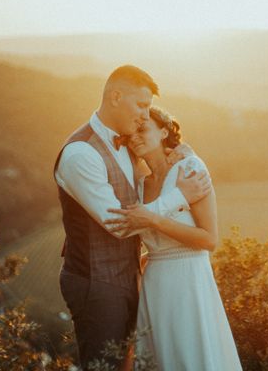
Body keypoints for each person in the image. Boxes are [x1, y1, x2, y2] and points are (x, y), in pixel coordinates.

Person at [53, 65, 212, 369]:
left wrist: (178, 151)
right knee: (106, 366)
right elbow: (118, 223)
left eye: (148, 107)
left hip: (129, 278)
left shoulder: (126, 143)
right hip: (95, 281)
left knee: (129, 364)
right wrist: (180, 197)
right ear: (115, 97)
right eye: (141, 105)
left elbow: (150, 171)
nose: (144, 115)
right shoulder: (81, 154)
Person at [105, 105, 243, 371]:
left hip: (188, 279)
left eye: (143, 129)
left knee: (190, 355)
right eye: (131, 132)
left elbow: (209, 239)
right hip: (155, 285)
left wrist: (154, 219)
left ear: (164, 131)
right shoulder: (139, 184)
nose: (135, 137)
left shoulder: (189, 167)